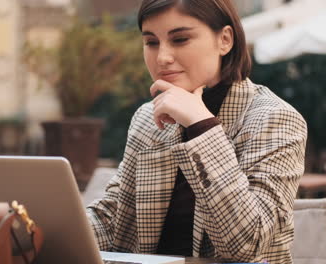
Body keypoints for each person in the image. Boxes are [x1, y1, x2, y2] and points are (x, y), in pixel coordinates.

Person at [86, 0, 307, 263]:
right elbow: (114, 219)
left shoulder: (274, 118)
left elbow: (247, 244)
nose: (162, 58)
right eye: (151, 42)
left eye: (180, 39)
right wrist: (41, 226)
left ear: (225, 40)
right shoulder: (148, 118)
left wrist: (201, 125)